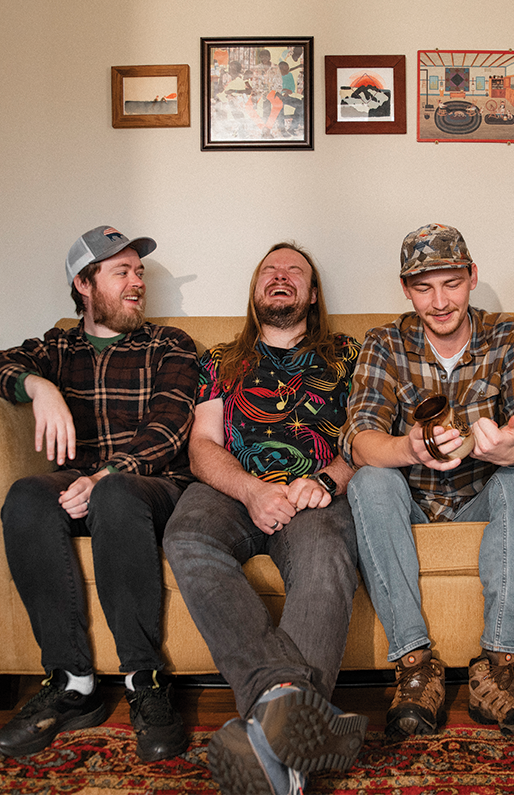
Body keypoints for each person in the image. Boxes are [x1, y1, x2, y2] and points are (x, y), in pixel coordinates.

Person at [0, 226, 196, 762]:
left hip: (153, 485)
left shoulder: (169, 344)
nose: (137, 282)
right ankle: (72, 683)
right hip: (77, 483)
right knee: (26, 496)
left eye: (139, 272)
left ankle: (145, 681)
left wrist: (104, 476)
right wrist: (38, 386)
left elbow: (169, 428)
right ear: (84, 284)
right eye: (122, 272)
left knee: (116, 495)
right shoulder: (57, 347)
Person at [162, 242, 367, 795]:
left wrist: (327, 480)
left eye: (294, 270)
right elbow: (202, 446)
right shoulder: (220, 358)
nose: (281, 276)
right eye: (269, 270)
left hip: (314, 495)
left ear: (313, 293)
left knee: (327, 556)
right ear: (255, 290)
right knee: (186, 535)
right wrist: (251, 490)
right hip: (232, 490)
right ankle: (286, 701)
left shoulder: (349, 355)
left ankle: (276, 750)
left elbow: (369, 436)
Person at [340, 223, 514, 739]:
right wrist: (408, 448)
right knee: (369, 481)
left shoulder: (511, 336)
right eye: (424, 288)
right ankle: (415, 666)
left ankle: (499, 668)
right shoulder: (384, 343)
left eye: (452, 284)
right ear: (405, 289)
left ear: (472, 277)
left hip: (480, 499)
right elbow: (359, 436)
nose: (439, 302)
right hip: (411, 504)